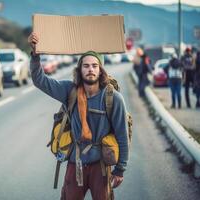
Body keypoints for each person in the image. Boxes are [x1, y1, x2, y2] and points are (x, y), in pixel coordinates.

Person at [28, 32, 129, 200]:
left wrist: (120, 169)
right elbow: (40, 81)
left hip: (101, 167)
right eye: (86, 66)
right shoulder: (70, 91)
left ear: (101, 70)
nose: (90, 69)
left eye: (94, 66)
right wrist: (35, 56)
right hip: (76, 163)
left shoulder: (113, 98)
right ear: (80, 70)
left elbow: (122, 135)